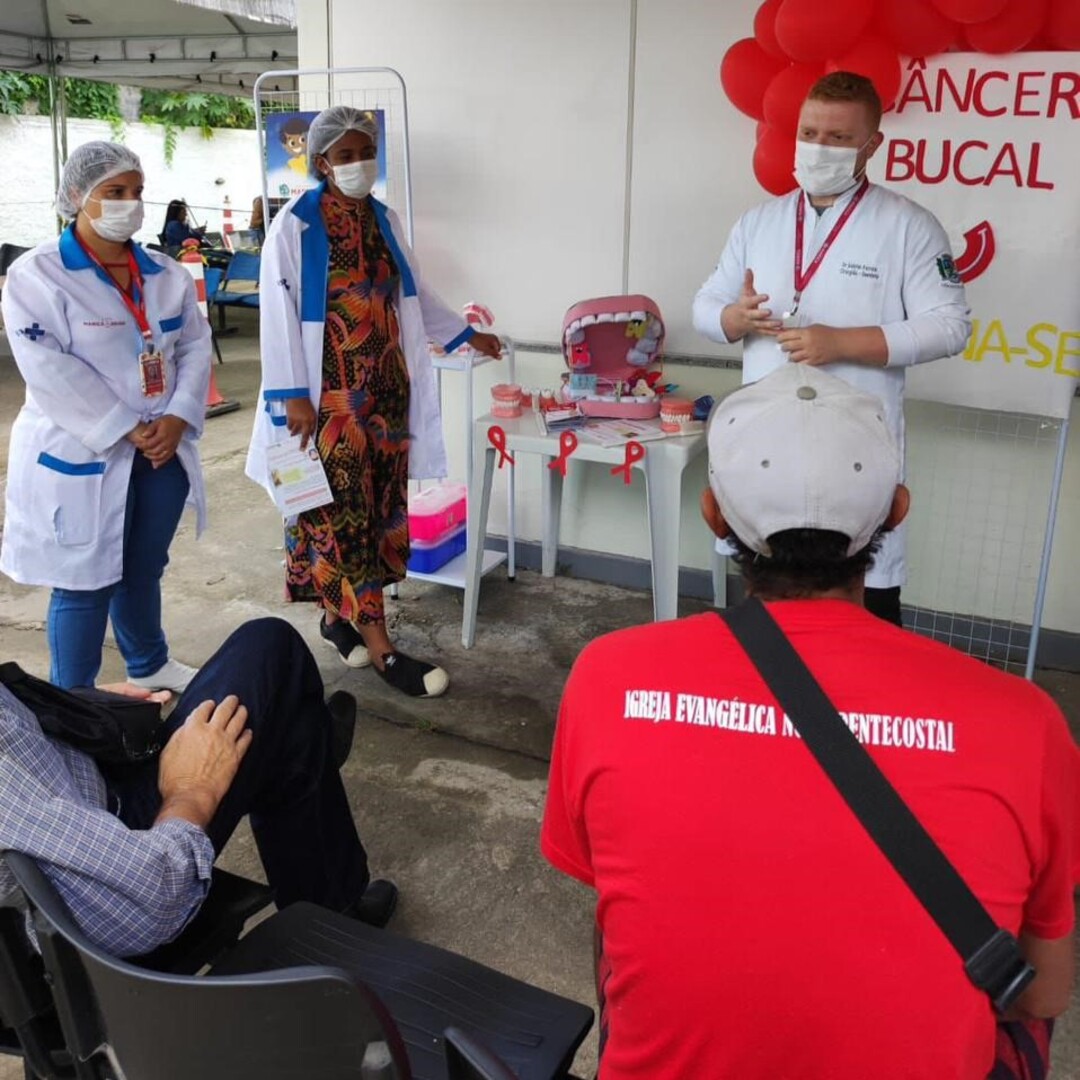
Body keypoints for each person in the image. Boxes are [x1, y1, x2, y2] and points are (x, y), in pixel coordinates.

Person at [541, 364, 1078, 1079]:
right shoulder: (1026, 723)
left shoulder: (608, 677)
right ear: (896, 511)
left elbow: (612, 912)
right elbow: (1041, 988)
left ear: (714, 515)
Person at [692, 71, 972, 627]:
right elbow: (704, 308)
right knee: (760, 612)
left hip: (855, 451)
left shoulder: (909, 227)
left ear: (872, 145)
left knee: (862, 613)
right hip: (765, 448)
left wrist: (841, 343)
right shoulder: (760, 222)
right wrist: (733, 317)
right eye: (809, 131)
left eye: (839, 138)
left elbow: (949, 327)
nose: (818, 147)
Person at [246, 105, 502, 699]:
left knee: (382, 508)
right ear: (320, 162)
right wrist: (292, 396)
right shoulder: (296, 226)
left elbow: (415, 293)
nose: (359, 163)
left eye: (367, 152)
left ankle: (340, 620)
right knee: (343, 515)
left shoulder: (384, 220)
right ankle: (383, 648)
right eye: (346, 154)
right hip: (329, 401)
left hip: (386, 397)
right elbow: (278, 319)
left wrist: (464, 333)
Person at [0, 617, 397, 957]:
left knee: (273, 685)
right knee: (273, 655)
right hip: (114, 850)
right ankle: (333, 918)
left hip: (80, 781)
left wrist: (68, 707)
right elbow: (149, 899)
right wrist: (191, 790)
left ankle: (301, 745)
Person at [0, 142, 209, 693]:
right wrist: (126, 425)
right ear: (77, 197)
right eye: (114, 193)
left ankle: (149, 663)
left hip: (162, 446)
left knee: (143, 568)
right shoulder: (37, 275)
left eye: (136, 192)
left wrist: (179, 417)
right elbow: (47, 367)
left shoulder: (165, 273)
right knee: (84, 581)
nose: (129, 205)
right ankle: (72, 699)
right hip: (87, 449)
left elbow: (192, 345)